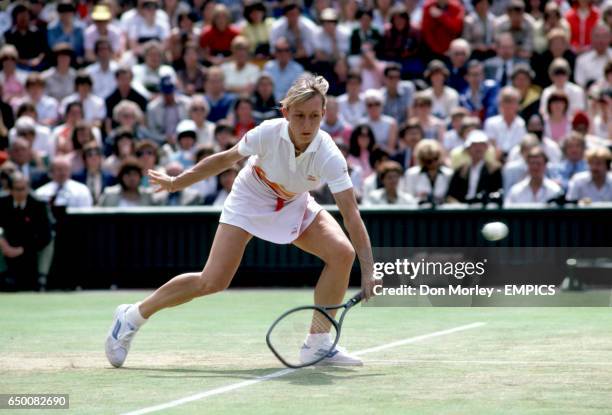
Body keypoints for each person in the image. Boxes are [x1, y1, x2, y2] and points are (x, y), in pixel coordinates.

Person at [105, 74, 378, 368]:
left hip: (293, 201)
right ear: (286, 113)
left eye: (314, 116)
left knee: (342, 253)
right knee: (212, 281)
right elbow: (225, 159)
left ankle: (317, 344)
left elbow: (352, 214)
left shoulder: (330, 155)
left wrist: (368, 271)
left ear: (324, 114)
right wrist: (175, 182)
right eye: (299, 116)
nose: (307, 125)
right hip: (250, 195)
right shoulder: (267, 133)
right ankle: (132, 316)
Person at [0, 171, 53, 291]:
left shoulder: (39, 204)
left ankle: (42, 277)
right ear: (10, 190)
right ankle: (2, 274)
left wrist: (22, 249)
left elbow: (45, 235)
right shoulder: (2, 202)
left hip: (32, 245)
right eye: (17, 189)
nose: (21, 193)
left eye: (24, 189)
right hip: (8, 244)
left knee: (50, 242)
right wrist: (3, 244)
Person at [446, 129, 503, 203]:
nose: (478, 148)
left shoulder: (494, 169)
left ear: (486, 147)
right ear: (468, 149)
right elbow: (452, 194)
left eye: (481, 145)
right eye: (474, 145)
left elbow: (497, 193)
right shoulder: (461, 170)